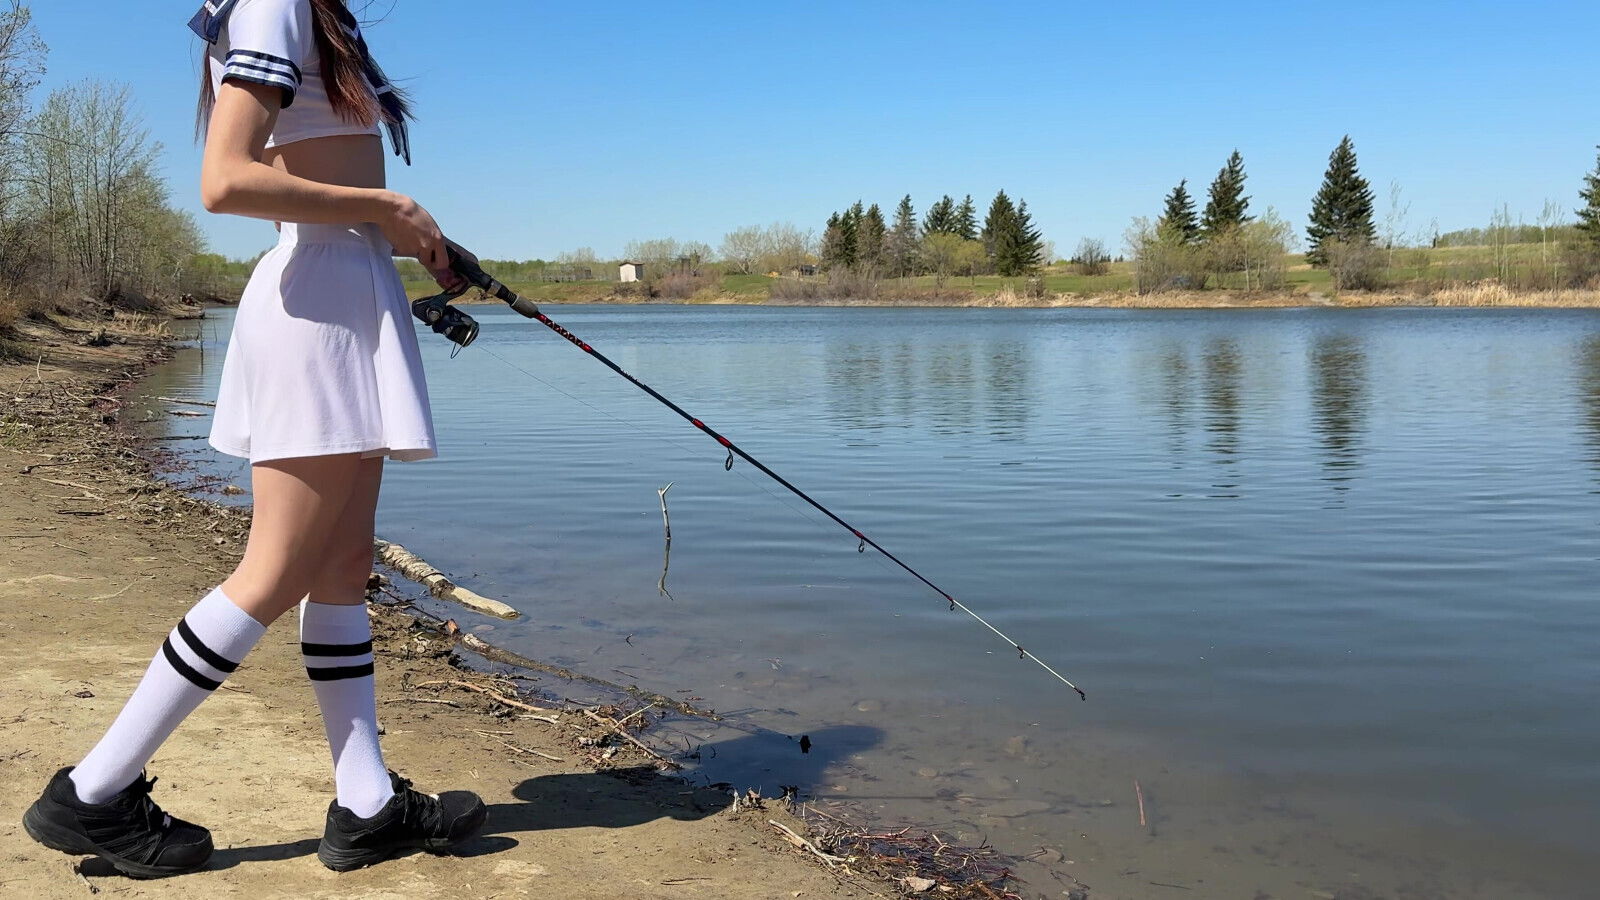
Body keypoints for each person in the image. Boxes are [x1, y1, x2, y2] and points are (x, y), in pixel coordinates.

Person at [22, 0, 486, 877]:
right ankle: (92, 791)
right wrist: (388, 205)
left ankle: (368, 805)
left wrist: (399, 231)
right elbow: (225, 180)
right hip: (318, 302)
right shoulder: (274, 1)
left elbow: (311, 161)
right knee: (272, 571)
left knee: (343, 568)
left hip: (343, 288)